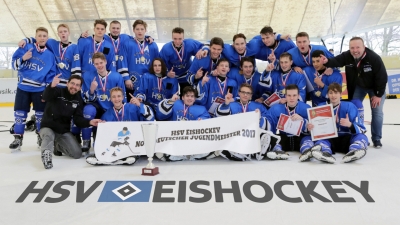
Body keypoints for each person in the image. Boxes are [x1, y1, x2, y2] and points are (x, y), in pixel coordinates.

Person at [321, 37, 387, 148]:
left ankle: (376, 138)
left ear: (364, 47)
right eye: (352, 48)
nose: (355, 50)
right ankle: (356, 132)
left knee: (377, 112)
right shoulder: (348, 56)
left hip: (375, 88)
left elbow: (382, 76)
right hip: (359, 87)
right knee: (353, 106)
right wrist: (327, 62)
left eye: (357, 47)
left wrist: (378, 94)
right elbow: (337, 60)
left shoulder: (374, 58)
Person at [40, 74, 102, 169]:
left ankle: (57, 145)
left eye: (77, 85)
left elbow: (78, 119)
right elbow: (46, 96)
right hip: (48, 126)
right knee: (48, 135)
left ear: (80, 87)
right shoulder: (57, 91)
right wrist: (51, 86)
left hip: (62, 131)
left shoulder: (78, 100)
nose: (74, 86)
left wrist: (90, 122)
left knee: (77, 154)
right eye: (72, 83)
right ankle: (46, 155)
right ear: (67, 83)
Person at [10, 27, 57, 152]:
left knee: (40, 116)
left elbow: (50, 74)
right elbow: (13, 65)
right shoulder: (26, 47)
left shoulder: (50, 55)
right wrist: (23, 58)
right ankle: (18, 138)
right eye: (40, 35)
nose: (42, 38)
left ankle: (40, 137)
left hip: (39, 90)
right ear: (35, 37)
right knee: (20, 115)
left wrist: (48, 88)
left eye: (44, 36)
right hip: (23, 88)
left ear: (47, 38)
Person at [300, 83, 368, 163]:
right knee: (320, 140)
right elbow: (315, 129)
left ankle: (354, 151)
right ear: (327, 94)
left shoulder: (350, 106)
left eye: (336, 93)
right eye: (331, 93)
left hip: (346, 138)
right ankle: (325, 153)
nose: (333, 95)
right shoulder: (320, 107)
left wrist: (350, 125)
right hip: (330, 139)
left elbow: (362, 128)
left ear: (340, 94)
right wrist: (311, 127)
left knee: (361, 136)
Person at [86, 87, 154, 165]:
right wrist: (102, 126)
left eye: (118, 96)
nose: (116, 99)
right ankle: (100, 156)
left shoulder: (133, 108)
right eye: (114, 97)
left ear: (122, 97)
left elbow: (150, 118)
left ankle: (132, 155)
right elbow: (102, 134)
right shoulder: (107, 114)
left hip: (132, 140)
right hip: (117, 142)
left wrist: (140, 105)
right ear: (110, 99)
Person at [215, 83, 280, 161]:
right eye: (243, 92)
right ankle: (247, 151)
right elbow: (220, 119)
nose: (245, 95)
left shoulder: (258, 106)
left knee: (265, 134)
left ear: (251, 95)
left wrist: (259, 119)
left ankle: (262, 150)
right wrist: (226, 104)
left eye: (248, 93)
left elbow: (269, 125)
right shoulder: (231, 105)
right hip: (236, 135)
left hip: (252, 135)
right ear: (239, 93)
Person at [78, 52, 126, 152]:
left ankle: (99, 137)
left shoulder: (116, 76)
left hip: (111, 108)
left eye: (101, 62)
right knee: (88, 110)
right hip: (97, 106)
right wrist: (91, 90)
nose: (99, 65)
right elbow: (86, 99)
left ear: (105, 62)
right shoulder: (88, 76)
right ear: (93, 64)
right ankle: (86, 141)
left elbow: (122, 97)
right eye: (96, 64)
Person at [156, 86, 215, 161]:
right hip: (175, 137)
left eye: (192, 96)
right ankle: (183, 155)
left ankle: (188, 154)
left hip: (192, 139)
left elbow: (207, 120)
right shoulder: (175, 104)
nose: (190, 98)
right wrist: (171, 101)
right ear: (183, 97)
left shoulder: (201, 109)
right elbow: (160, 115)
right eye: (187, 96)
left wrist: (202, 120)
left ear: (194, 99)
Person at [265, 84, 311, 160]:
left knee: (307, 139)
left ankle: (306, 150)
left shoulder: (306, 108)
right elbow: (269, 124)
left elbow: (312, 128)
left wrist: (303, 121)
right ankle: (278, 151)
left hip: (300, 138)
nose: (291, 98)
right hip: (284, 138)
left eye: (294, 95)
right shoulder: (276, 109)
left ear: (298, 96)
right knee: (275, 139)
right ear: (285, 96)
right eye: (289, 95)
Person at [118, 19, 160, 101]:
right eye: (137, 29)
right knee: (133, 104)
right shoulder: (127, 44)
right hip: (132, 81)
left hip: (148, 81)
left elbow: (158, 64)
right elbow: (122, 62)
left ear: (145, 30)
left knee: (147, 105)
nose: (139, 31)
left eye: (142, 29)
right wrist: (126, 79)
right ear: (133, 30)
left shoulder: (152, 45)